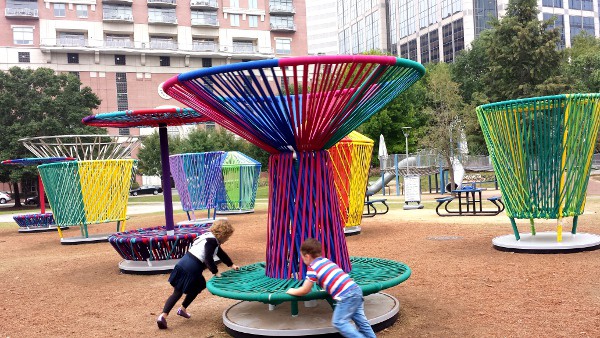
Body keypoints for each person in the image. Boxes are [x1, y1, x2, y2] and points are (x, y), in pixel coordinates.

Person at [156, 220, 239, 330]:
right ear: (223, 235)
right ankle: (180, 309)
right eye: (227, 237)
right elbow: (208, 258)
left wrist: (231, 265)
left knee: (183, 290)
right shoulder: (212, 241)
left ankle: (164, 315)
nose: (227, 239)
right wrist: (216, 272)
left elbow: (220, 253)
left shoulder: (208, 237)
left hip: (183, 263)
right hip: (193, 266)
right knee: (193, 288)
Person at [286, 238, 376, 338]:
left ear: (307, 256)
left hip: (346, 295)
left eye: (302, 258)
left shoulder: (313, 268)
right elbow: (330, 278)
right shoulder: (326, 261)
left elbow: (304, 290)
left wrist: (292, 290)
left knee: (339, 322)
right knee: (362, 323)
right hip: (355, 289)